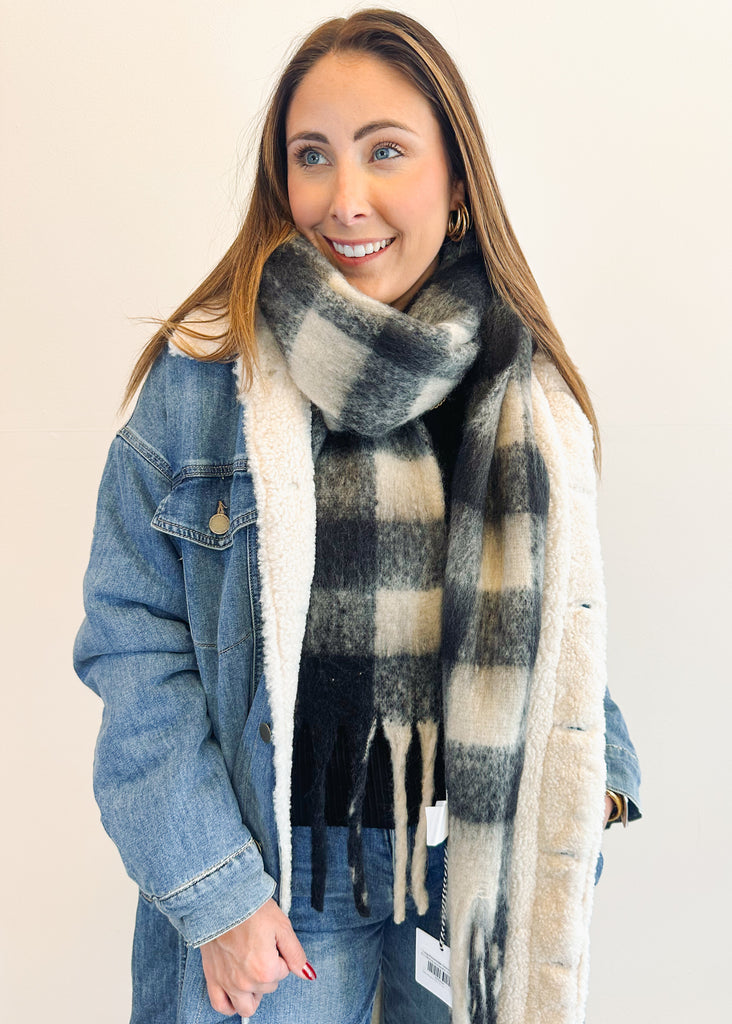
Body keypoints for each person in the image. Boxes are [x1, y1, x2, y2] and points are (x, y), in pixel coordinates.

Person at [74, 9, 641, 1024]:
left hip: (464, 874)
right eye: (313, 156)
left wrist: (596, 781)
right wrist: (214, 890)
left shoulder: (523, 390)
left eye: (385, 151)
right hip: (276, 879)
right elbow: (132, 641)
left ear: (456, 181)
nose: (344, 198)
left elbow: (562, 619)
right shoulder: (203, 383)